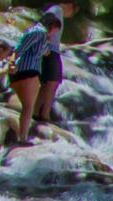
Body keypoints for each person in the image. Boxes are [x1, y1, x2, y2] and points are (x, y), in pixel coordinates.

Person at [7, 9, 58, 144]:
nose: (54, 34)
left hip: (19, 72)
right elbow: (27, 50)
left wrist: (11, 63)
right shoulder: (40, 32)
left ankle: (22, 136)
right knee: (29, 107)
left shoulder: (34, 32)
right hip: (29, 71)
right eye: (55, 31)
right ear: (52, 26)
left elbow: (22, 49)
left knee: (27, 106)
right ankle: (22, 138)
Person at [32, 1, 79, 136]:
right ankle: (44, 114)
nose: (71, 15)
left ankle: (37, 112)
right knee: (53, 82)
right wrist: (45, 47)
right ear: (70, 5)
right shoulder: (57, 10)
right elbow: (46, 28)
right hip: (50, 51)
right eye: (73, 12)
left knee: (47, 82)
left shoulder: (53, 10)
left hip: (50, 50)